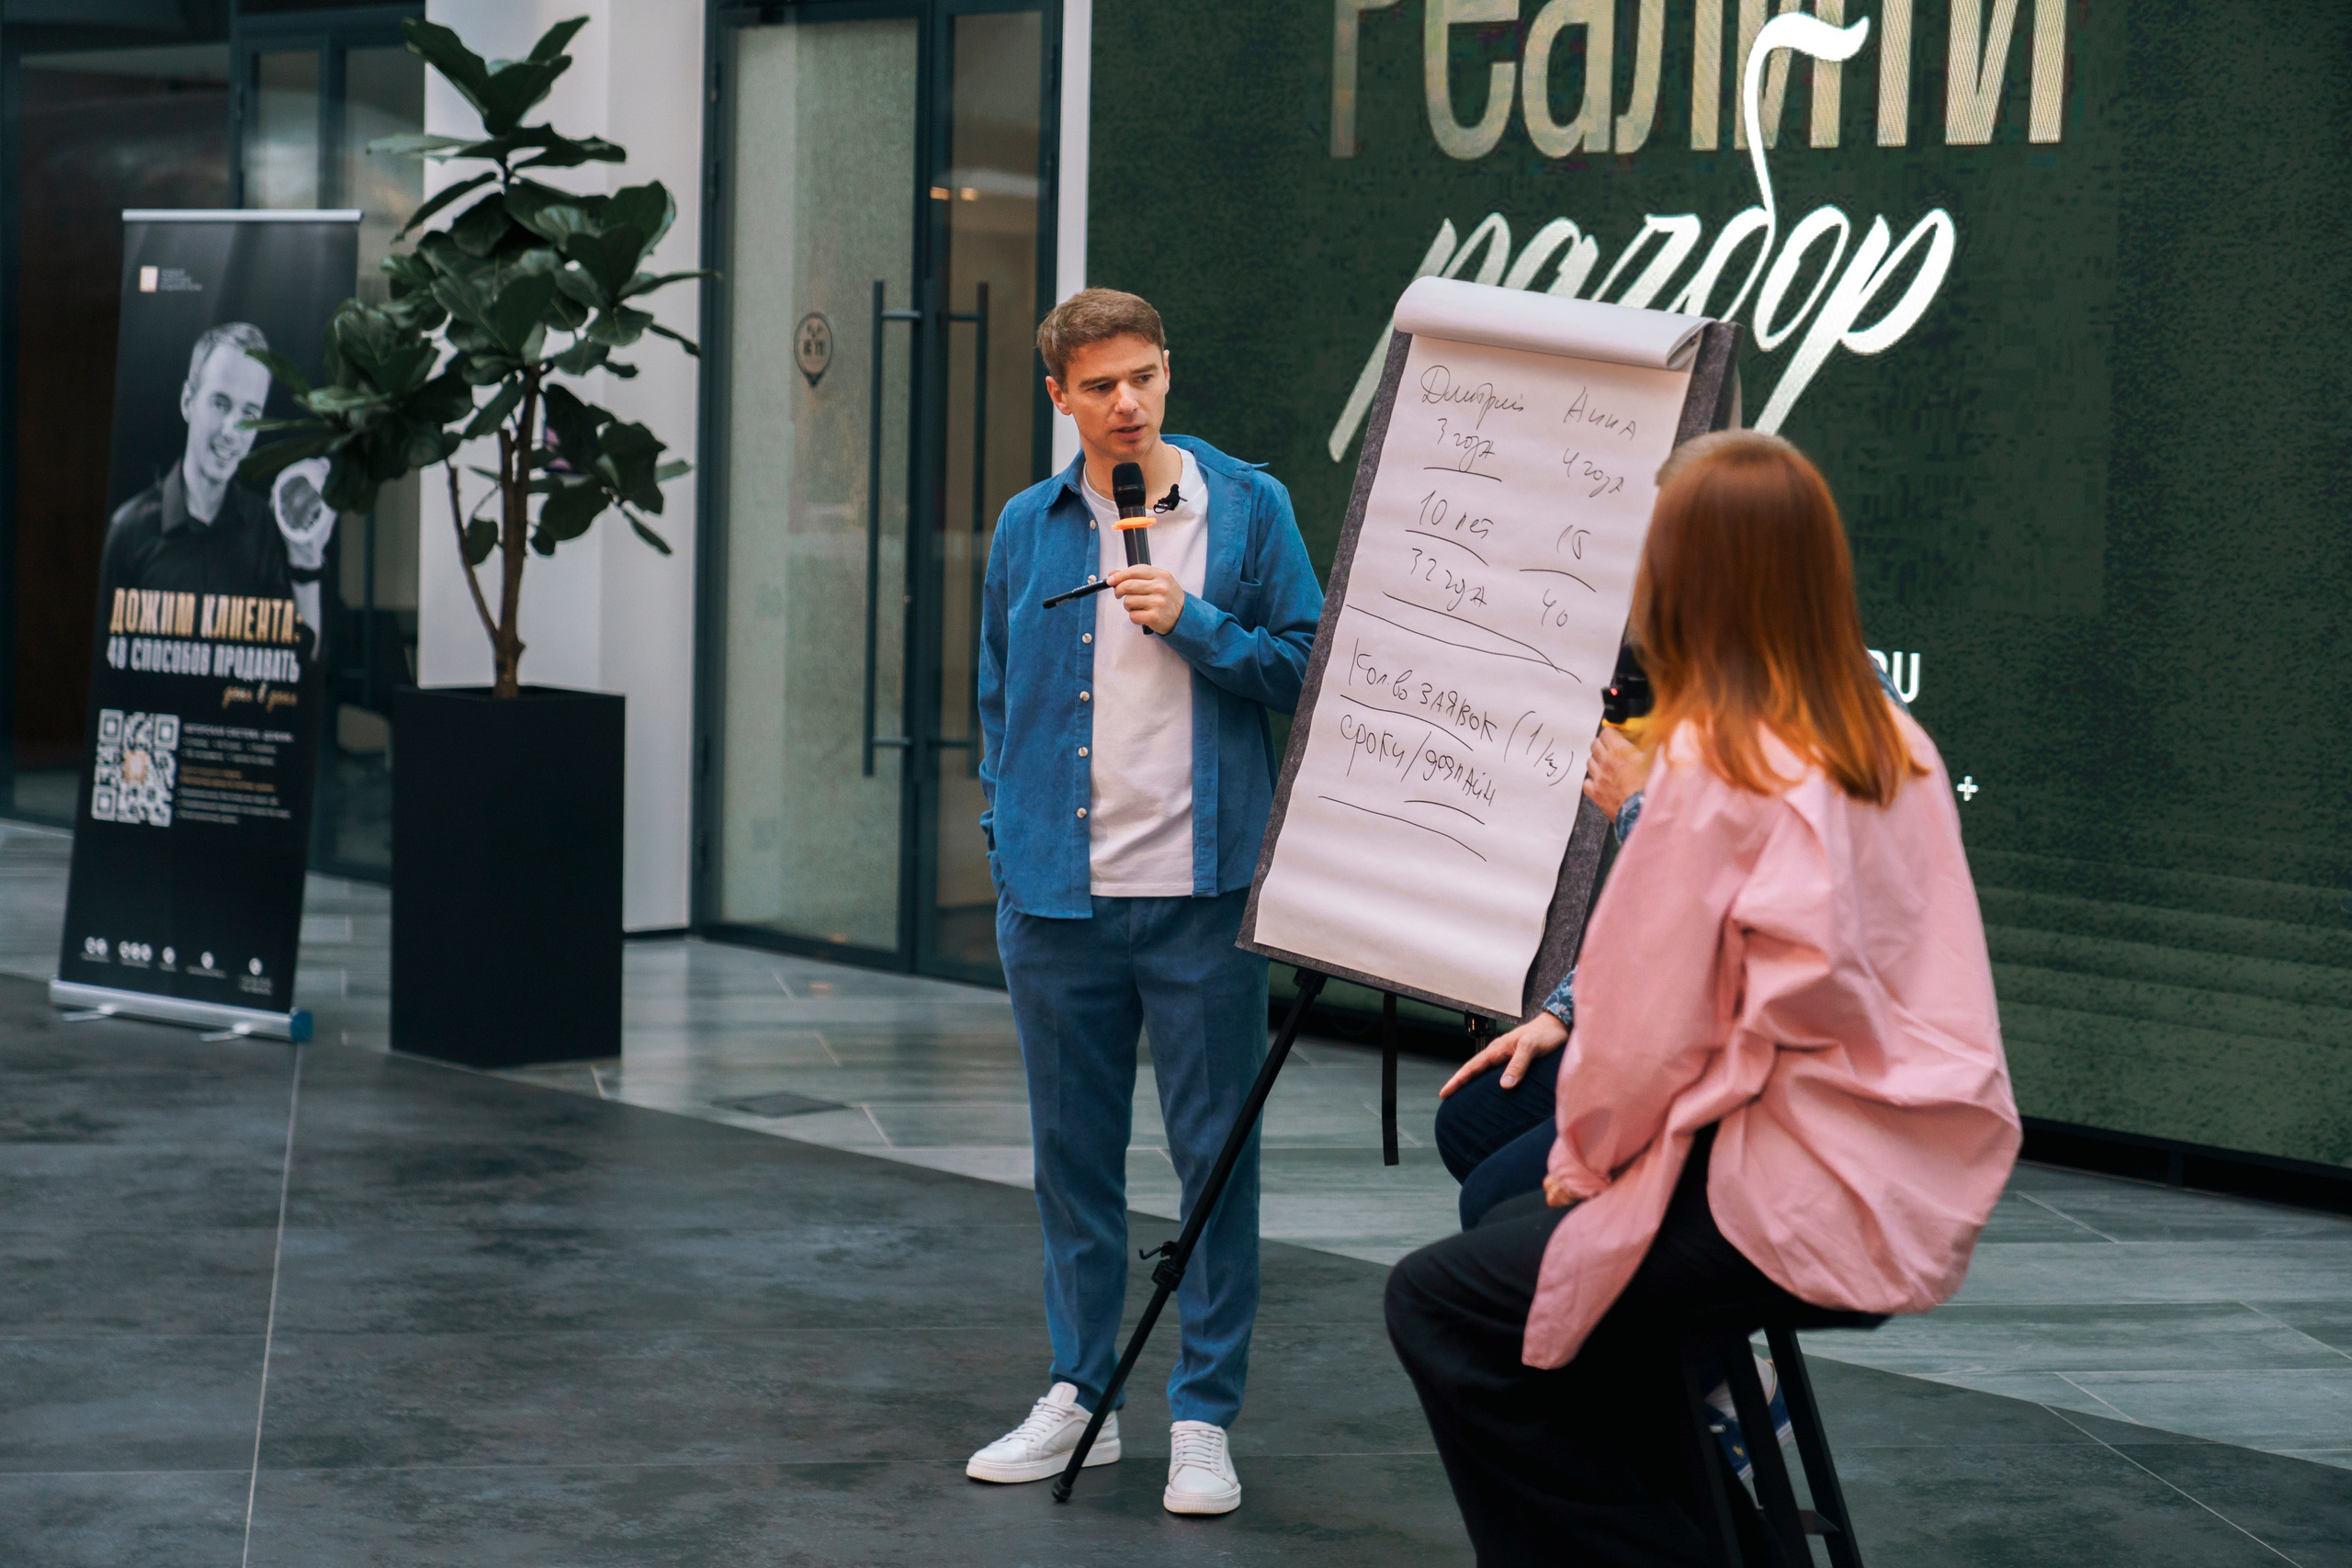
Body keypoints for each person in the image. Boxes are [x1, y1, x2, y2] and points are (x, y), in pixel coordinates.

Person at [1385, 431, 2019, 1565]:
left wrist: (1589, 1167)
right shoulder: (1890, 740)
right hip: (1904, 1157)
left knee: (1443, 1301)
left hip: (1793, 1177)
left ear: (1680, 579)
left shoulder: (1716, 766)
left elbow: (1639, 1044)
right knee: (1512, 1197)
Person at [967, 288, 1324, 1515]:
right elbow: (999, 692)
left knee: (1213, 1159)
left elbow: (1312, 668)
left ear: (1169, 372)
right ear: (1058, 396)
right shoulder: (1029, 523)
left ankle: (1202, 1413)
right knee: (1071, 1163)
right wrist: (1003, 839)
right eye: (1100, 385)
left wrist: (1200, 624)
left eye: (1145, 377)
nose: (1128, 403)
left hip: (1201, 895)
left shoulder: (1250, 507)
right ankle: (1081, 1389)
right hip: (1057, 903)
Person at [98, 321, 335, 648]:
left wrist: (306, 559)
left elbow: (301, 676)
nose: (231, 431)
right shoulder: (128, 530)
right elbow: (103, 671)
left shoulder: (266, 530)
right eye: (220, 404)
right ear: (187, 402)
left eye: (249, 413)